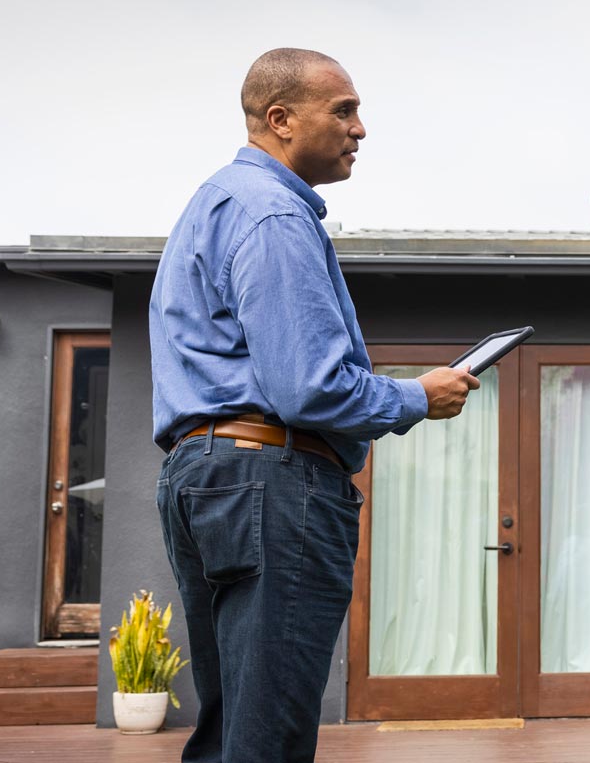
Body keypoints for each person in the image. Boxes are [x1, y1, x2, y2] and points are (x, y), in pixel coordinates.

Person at [149, 47, 479, 763]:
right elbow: (310, 387)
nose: (361, 129)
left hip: (207, 476)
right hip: (270, 479)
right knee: (267, 733)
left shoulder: (213, 205)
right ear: (280, 119)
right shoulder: (274, 216)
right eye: (344, 110)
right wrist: (416, 395)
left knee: (233, 726)